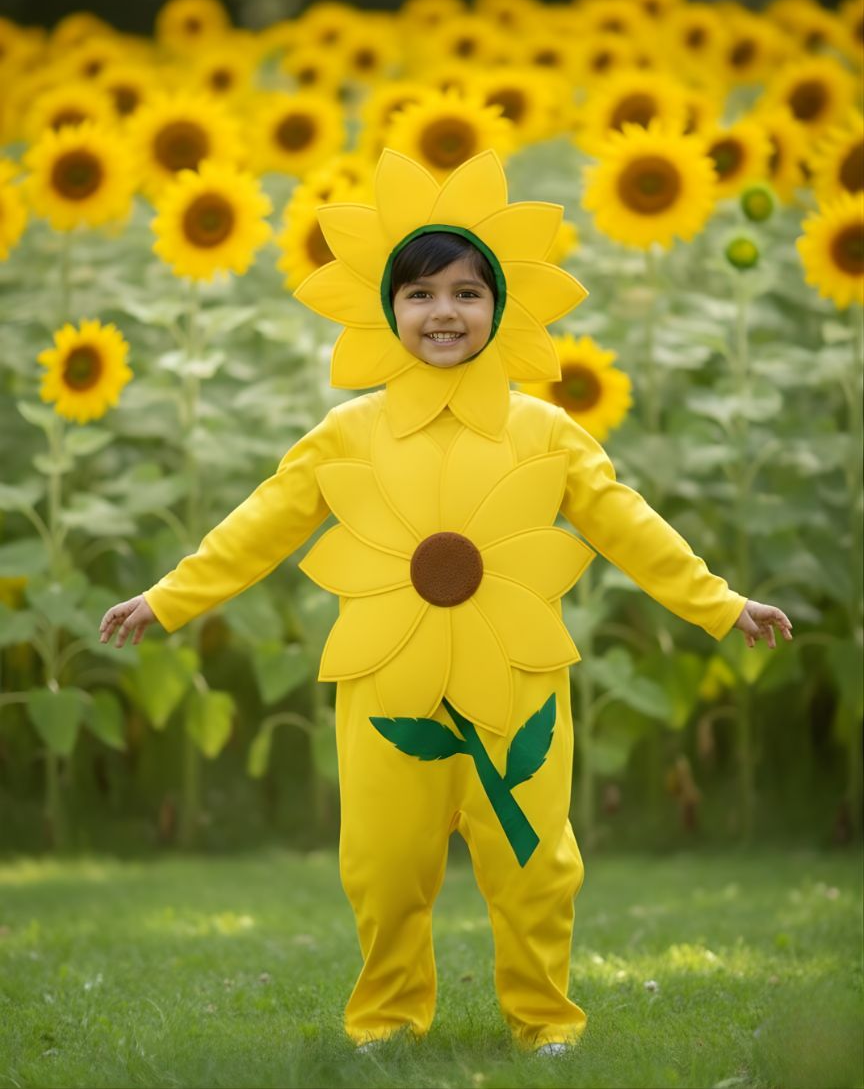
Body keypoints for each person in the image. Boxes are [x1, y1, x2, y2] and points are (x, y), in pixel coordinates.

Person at [100, 149, 792, 1054]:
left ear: (500, 306)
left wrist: (716, 602)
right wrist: (170, 597)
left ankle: (545, 1020)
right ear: (388, 309)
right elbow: (262, 522)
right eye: (421, 294)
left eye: (468, 292)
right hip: (387, 674)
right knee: (385, 866)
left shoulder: (547, 430)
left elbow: (628, 523)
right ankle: (387, 1018)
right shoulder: (346, 432)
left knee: (533, 861)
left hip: (519, 674)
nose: (444, 312)